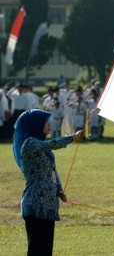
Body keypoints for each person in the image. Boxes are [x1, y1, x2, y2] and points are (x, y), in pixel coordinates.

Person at [13, 109, 82, 256]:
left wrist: (59, 190)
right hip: (35, 206)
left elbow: (52, 171)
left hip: (48, 207)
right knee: (36, 251)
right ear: (35, 124)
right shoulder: (30, 144)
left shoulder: (41, 145)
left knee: (45, 251)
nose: (48, 126)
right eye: (45, 123)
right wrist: (71, 138)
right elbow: (52, 144)